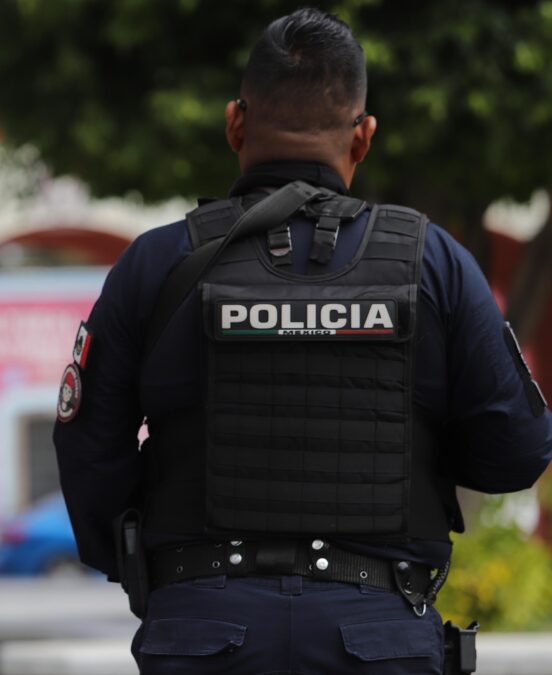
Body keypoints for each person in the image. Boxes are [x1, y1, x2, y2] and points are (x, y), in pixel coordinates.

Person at [52, 8, 552, 675]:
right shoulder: (434, 263)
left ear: (236, 122)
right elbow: (517, 452)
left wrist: (160, 573)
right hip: (379, 635)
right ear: (364, 135)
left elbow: (88, 448)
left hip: (201, 631)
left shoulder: (157, 263)